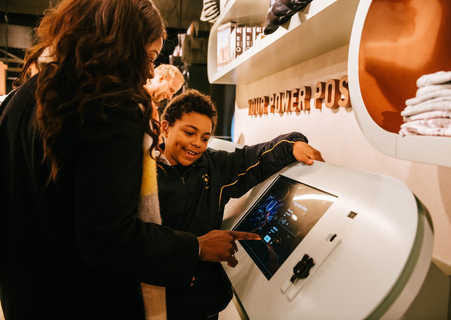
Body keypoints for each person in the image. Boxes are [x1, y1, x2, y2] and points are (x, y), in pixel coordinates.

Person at [0, 1, 258, 319]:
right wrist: (197, 247)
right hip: (80, 299)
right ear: (122, 45)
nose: (150, 71)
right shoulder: (108, 110)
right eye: (149, 57)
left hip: (26, 295)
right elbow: (109, 239)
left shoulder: (21, 98)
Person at [157, 89, 324, 319]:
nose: (196, 144)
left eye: (205, 138)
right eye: (189, 133)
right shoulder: (143, 172)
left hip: (202, 301)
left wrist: (292, 146)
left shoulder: (214, 165)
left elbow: (256, 157)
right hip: (157, 296)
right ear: (165, 127)